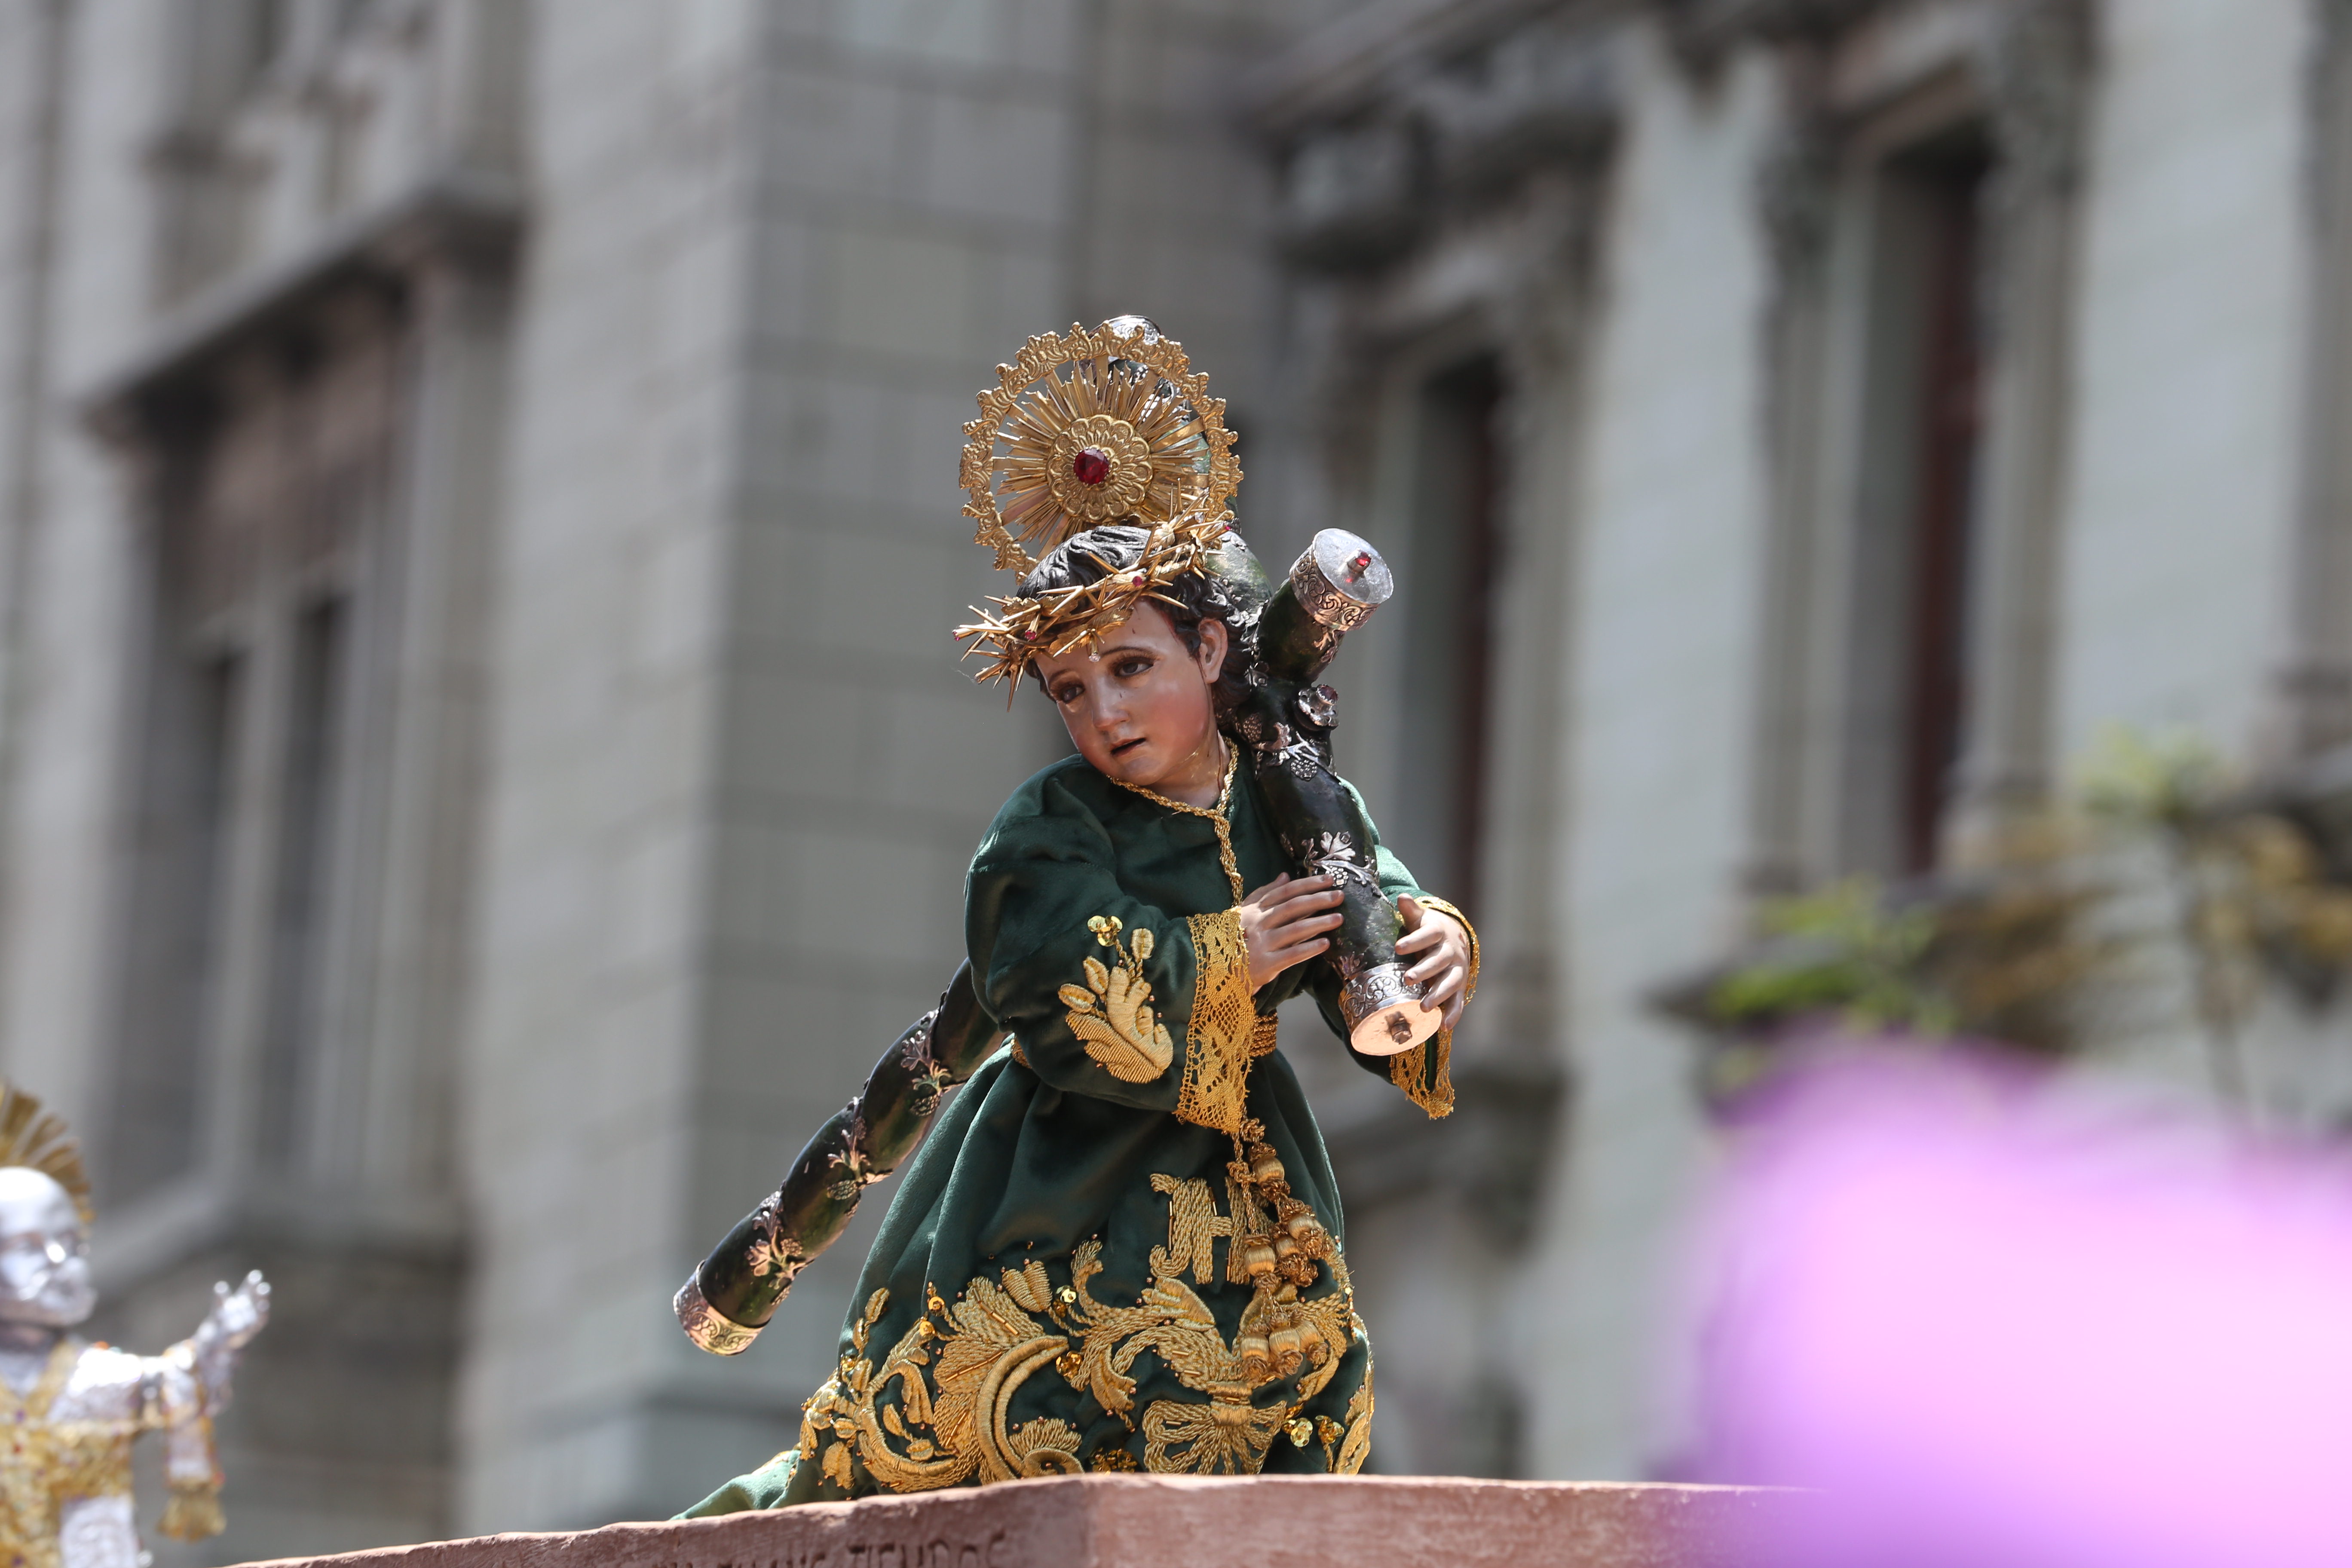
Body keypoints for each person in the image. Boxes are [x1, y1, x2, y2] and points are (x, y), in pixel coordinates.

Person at [683, 320, 1474, 1508]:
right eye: (1070, 688)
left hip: (1250, 1175)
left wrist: (1434, 941)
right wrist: (1227, 954)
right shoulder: (1048, 828)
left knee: (1286, 1411)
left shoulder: (1289, 790)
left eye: (1131, 667)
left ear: (1213, 649)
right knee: (1013, 1428)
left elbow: (1368, 890)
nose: (1104, 712)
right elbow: (1047, 971)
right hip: (1057, 1173)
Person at [0, 1081, 269, 1568]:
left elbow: (172, 1383)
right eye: (29, 1247)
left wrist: (214, 1344)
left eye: (71, 1244)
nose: (59, 1262)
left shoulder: (92, 1380)